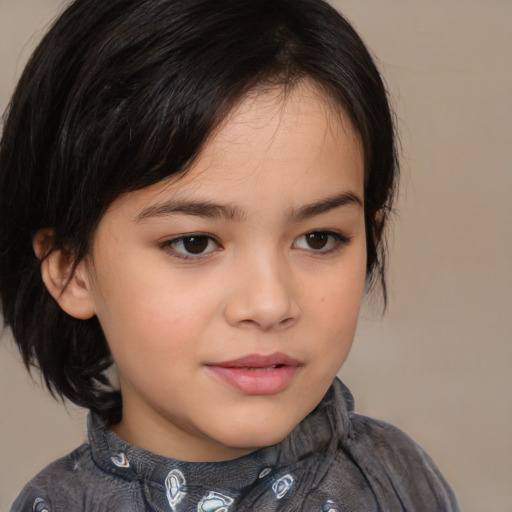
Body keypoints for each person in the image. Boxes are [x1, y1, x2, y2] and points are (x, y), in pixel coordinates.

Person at [0, 0, 460, 510]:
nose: (268, 304)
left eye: (319, 238)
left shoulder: (395, 481)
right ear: (71, 269)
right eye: (194, 243)